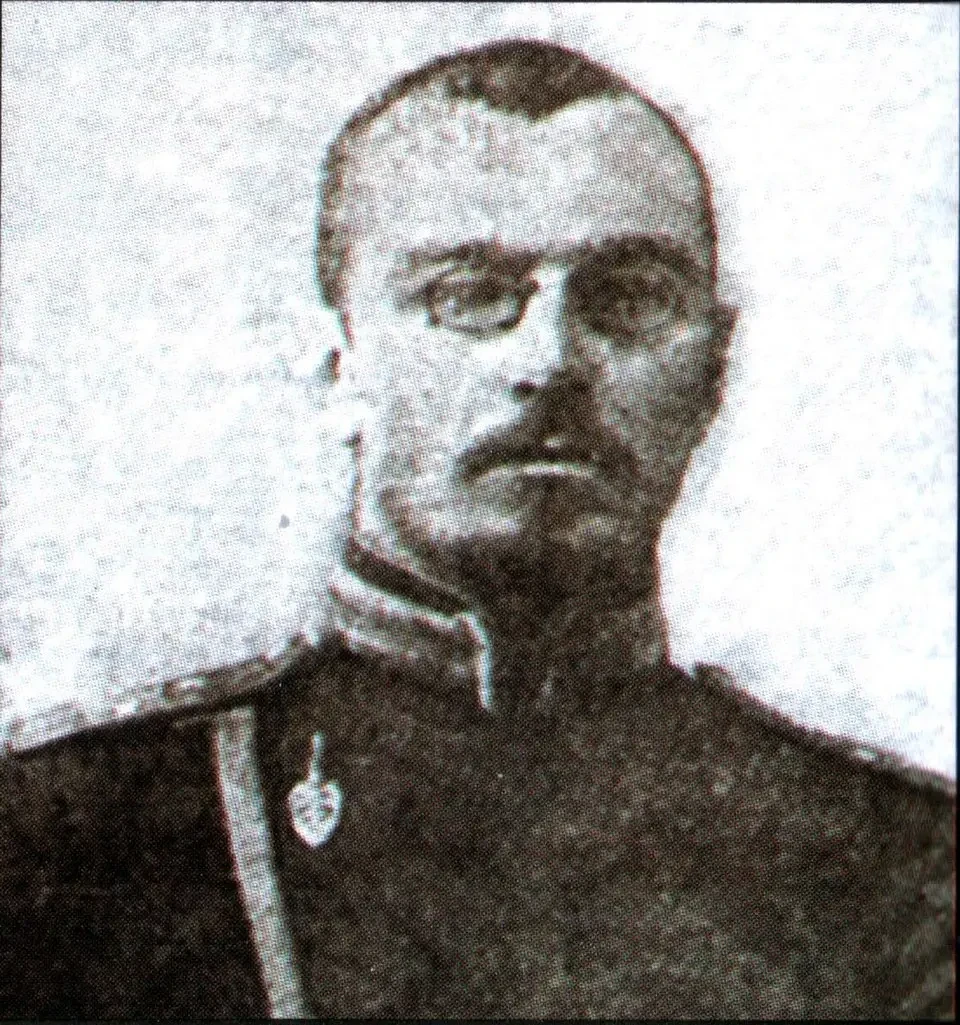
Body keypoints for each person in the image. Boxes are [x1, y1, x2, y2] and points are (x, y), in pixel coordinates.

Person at [0, 39, 954, 1019]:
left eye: (629, 298)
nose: (551, 361)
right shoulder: (68, 836)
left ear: (714, 371)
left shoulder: (902, 864)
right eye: (468, 296)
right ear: (339, 360)